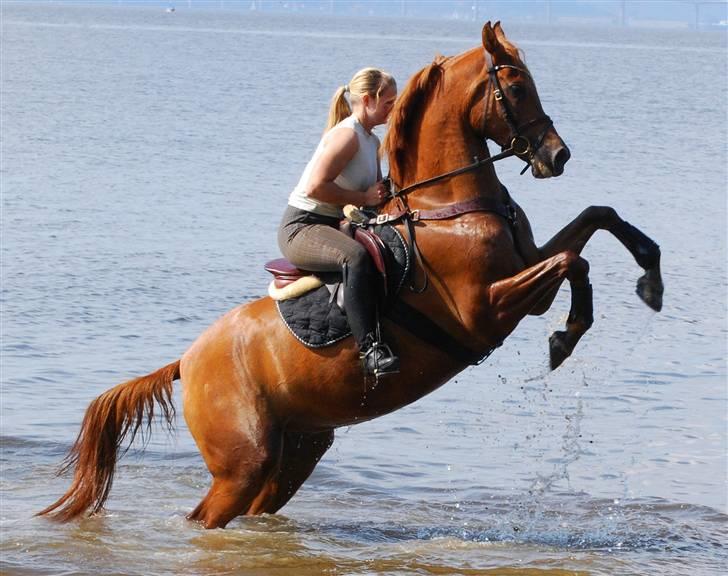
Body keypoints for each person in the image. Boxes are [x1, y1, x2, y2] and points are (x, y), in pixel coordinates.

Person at [278, 67, 399, 376]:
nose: (393, 109)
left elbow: (370, 193)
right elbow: (315, 188)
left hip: (330, 223)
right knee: (355, 257)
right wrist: (365, 199)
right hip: (302, 227)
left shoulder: (371, 141)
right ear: (368, 99)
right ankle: (370, 349)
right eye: (388, 102)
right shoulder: (348, 136)